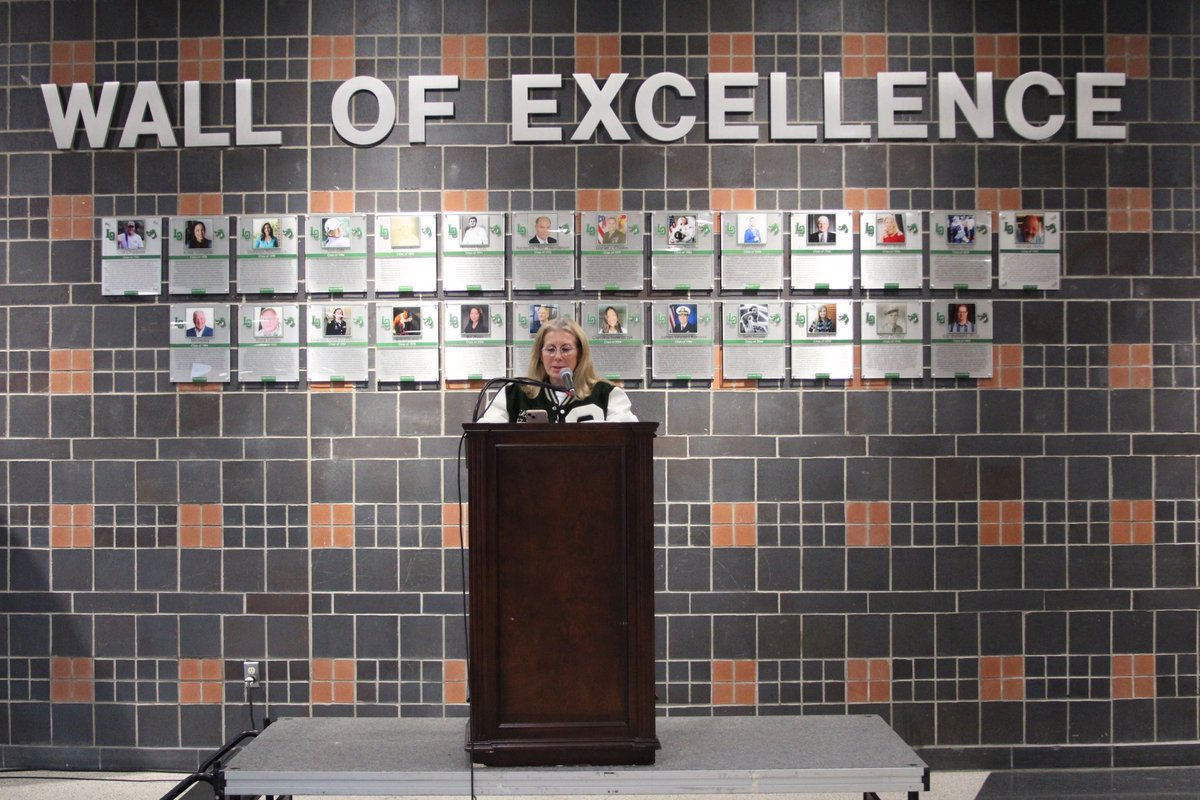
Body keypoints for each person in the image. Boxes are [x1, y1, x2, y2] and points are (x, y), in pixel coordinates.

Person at [479, 317, 638, 423]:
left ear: (580, 354)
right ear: (540, 355)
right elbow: (485, 435)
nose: (558, 357)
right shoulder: (513, 394)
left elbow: (630, 438)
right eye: (550, 349)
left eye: (566, 349)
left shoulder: (607, 394)